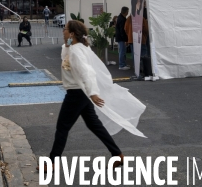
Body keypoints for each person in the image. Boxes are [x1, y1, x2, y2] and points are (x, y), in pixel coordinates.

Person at [41, 20, 146, 171]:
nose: (62, 31)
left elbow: (88, 73)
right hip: (80, 93)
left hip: (77, 93)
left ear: (71, 33)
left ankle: (52, 162)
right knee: (94, 125)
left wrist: (93, 93)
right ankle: (117, 154)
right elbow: (66, 55)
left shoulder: (77, 51)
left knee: (62, 127)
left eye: (65, 29)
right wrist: (68, 43)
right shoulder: (76, 47)